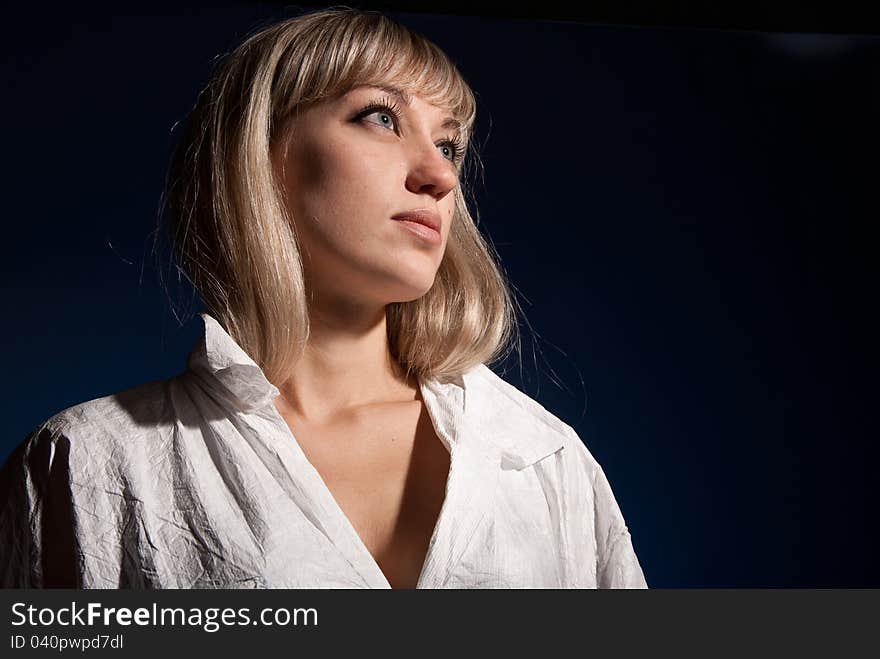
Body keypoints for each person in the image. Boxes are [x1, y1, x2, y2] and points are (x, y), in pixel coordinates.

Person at [0, 7, 647, 589]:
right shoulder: (87, 465)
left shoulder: (542, 455)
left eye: (448, 143)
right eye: (381, 117)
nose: (441, 174)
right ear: (263, 152)